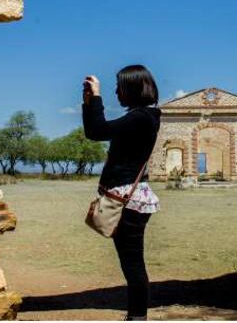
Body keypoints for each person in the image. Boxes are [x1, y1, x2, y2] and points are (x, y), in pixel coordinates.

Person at [82, 65, 162, 322]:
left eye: (120, 87)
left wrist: (96, 97)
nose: (117, 91)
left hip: (130, 201)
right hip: (130, 199)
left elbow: (98, 131)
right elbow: (94, 132)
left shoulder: (141, 117)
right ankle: (136, 315)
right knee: (131, 262)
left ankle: (137, 317)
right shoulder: (143, 117)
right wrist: (88, 102)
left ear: (134, 88)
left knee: (133, 263)